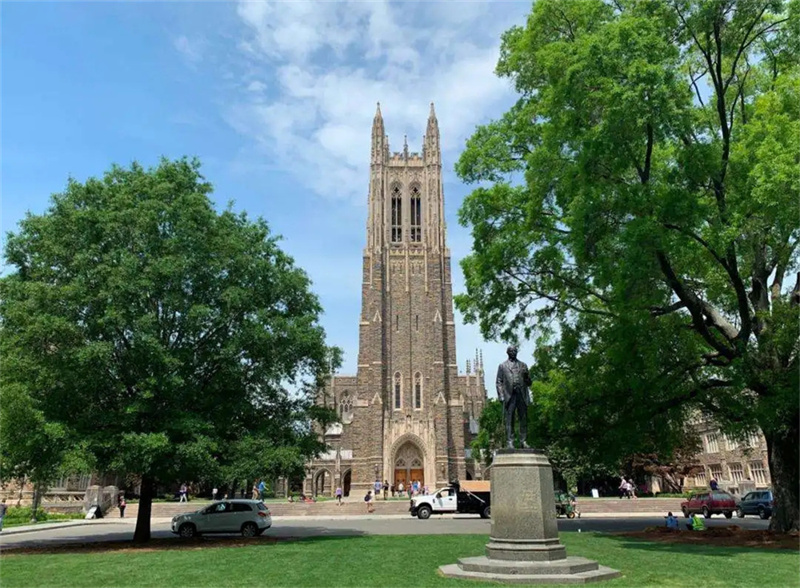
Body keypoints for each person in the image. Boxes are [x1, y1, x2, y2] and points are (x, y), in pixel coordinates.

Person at [495, 345, 533, 448]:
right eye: (512, 351)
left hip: (522, 394)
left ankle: (523, 441)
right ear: (508, 353)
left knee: (523, 418)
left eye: (515, 351)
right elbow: (499, 382)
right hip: (509, 395)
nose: (514, 353)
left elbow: (529, 383)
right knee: (509, 419)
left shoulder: (523, 365)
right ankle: (510, 441)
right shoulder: (502, 366)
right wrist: (501, 395)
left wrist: (527, 377)